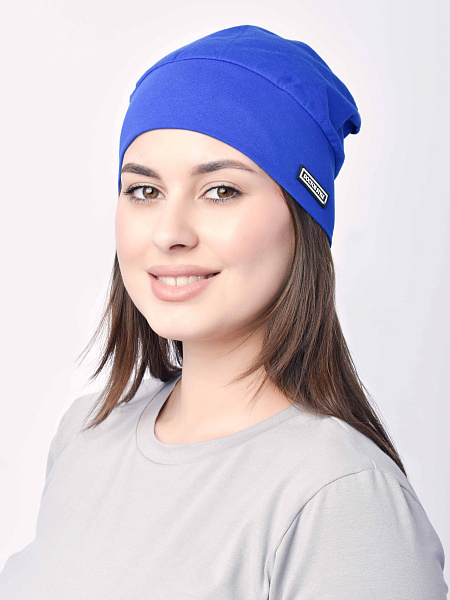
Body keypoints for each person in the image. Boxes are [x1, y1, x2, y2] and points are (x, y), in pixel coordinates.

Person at [0, 24, 447, 599]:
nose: (170, 232)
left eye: (221, 191)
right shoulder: (86, 435)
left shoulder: (342, 498)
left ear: (302, 219)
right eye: (144, 191)